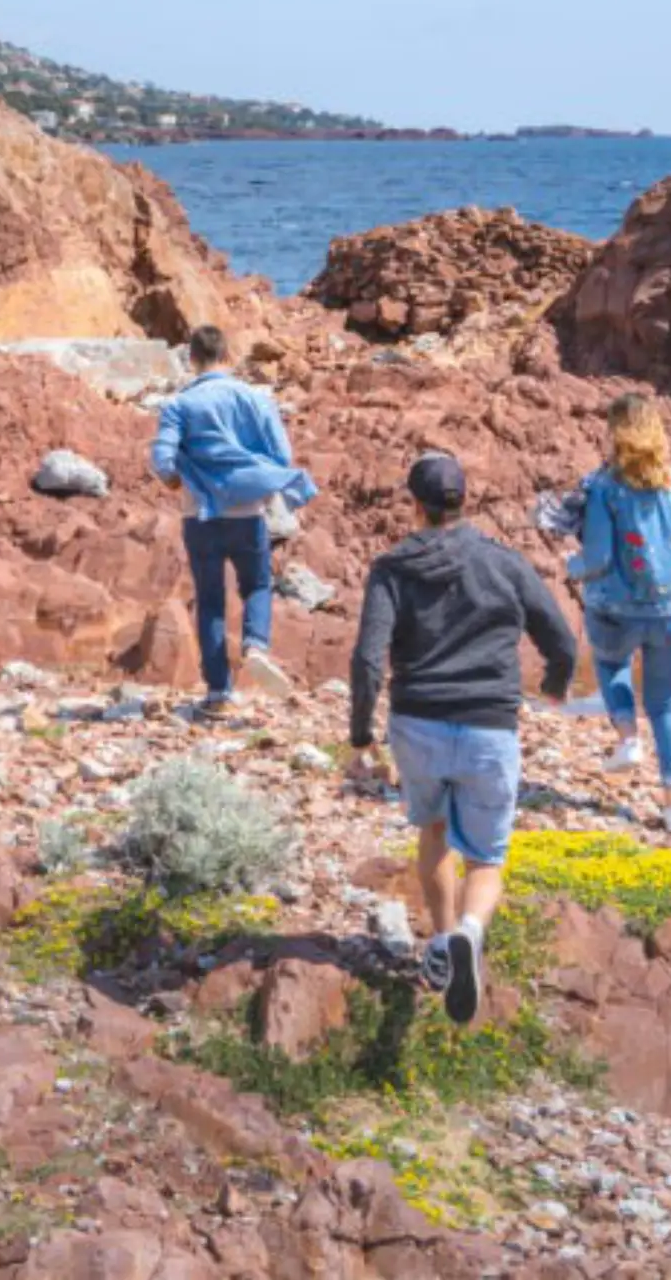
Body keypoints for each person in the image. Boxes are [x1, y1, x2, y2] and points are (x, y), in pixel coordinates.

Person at [348, 451, 579, 1028]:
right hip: (488, 725)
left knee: (433, 831)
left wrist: (360, 735)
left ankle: (442, 940)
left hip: (417, 723)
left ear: (415, 505)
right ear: (463, 500)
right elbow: (563, 642)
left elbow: (367, 659)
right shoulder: (504, 562)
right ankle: (469, 936)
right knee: (487, 856)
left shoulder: (393, 569)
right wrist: (553, 685)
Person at [150, 325, 316, 715]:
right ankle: (256, 645)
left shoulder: (179, 405)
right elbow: (281, 453)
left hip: (199, 516)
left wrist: (178, 480)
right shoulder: (255, 399)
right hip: (247, 513)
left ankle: (218, 694)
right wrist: (255, 477)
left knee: (209, 601)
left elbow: (161, 460)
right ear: (227, 356)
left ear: (192, 359)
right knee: (257, 584)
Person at [567, 394, 671, 835]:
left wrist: (571, 566)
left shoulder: (603, 486)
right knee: (668, 704)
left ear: (616, 433)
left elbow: (599, 556)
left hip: (618, 608)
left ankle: (628, 738)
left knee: (611, 664)